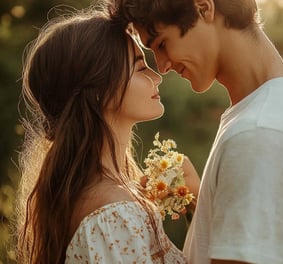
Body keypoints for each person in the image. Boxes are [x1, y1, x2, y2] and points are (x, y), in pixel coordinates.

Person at [115, 0, 283, 263]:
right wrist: (202, 199)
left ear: (203, 8)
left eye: (162, 44)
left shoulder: (260, 134)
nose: (162, 67)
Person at [16, 3, 200, 263]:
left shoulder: (111, 198)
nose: (157, 76)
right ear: (101, 90)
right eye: (139, 68)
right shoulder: (112, 216)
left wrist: (197, 199)